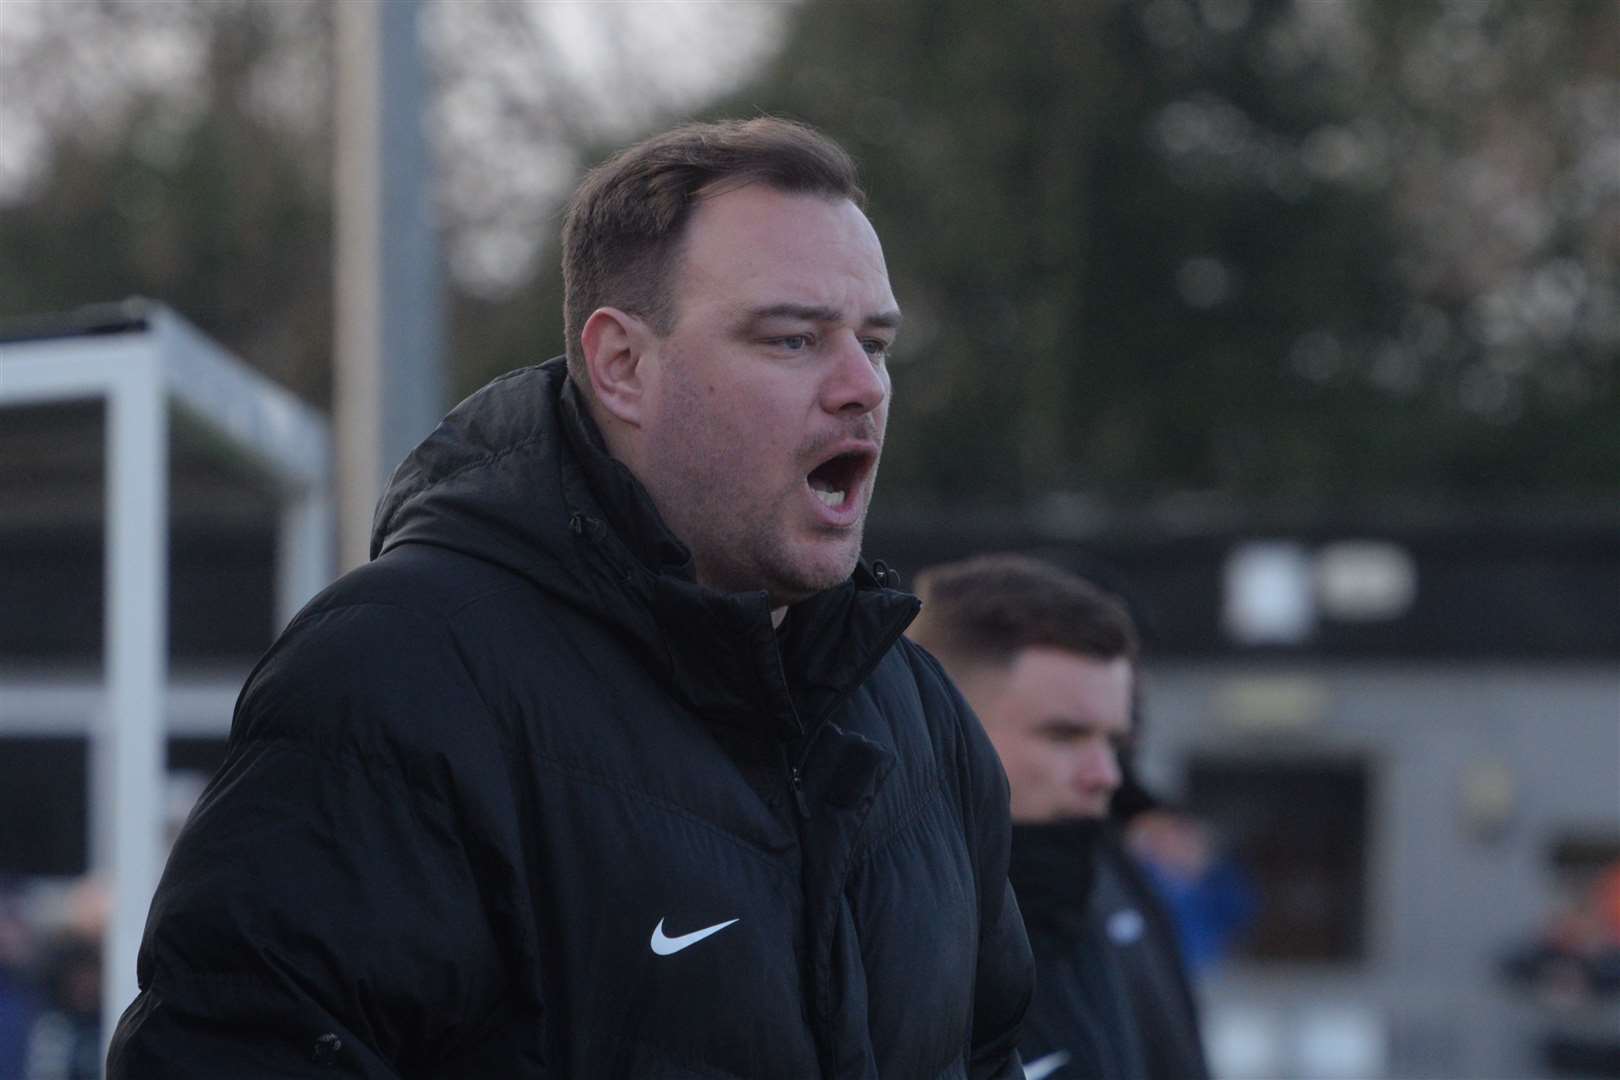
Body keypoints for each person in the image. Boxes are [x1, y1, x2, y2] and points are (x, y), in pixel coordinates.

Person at [106, 118, 1032, 1078]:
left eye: (875, 344)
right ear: (623, 366)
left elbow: (993, 1050)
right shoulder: (400, 676)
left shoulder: (920, 718)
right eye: (793, 338)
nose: (861, 388)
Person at [908, 554, 1208, 1080]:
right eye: (1064, 735)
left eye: (1113, 741)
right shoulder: (878, 932)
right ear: (945, 725)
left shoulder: (1092, 892)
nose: (1106, 775)